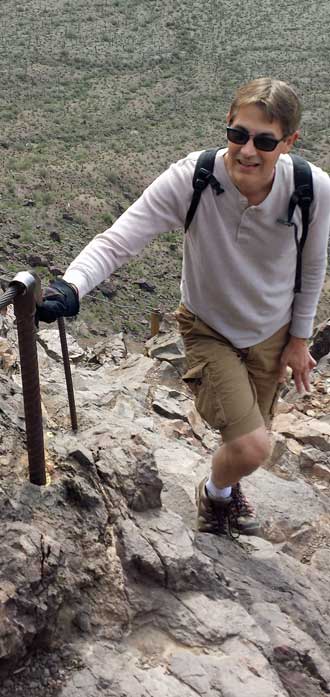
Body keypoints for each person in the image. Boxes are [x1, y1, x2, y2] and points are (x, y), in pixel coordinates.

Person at [37, 77, 330, 537]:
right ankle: (215, 495)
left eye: (265, 141)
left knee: (246, 437)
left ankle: (226, 487)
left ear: (289, 142)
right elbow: (119, 240)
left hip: (272, 334)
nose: (248, 150)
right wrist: (72, 286)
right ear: (227, 127)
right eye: (238, 135)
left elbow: (312, 269)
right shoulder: (195, 179)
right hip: (208, 327)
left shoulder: (312, 191)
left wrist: (298, 339)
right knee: (253, 447)